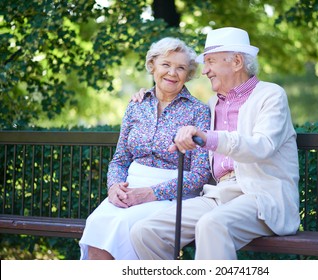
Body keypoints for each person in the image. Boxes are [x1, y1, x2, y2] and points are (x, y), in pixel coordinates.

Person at [130, 27, 300, 260]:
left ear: (237, 61)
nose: (205, 71)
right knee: (145, 231)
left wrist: (208, 138)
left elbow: (262, 145)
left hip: (262, 198)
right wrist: (148, 96)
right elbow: (175, 104)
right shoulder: (211, 104)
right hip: (218, 195)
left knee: (211, 225)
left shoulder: (271, 95)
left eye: (210, 62)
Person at [79, 37, 211, 260]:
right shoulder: (136, 105)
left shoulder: (198, 111)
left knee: (124, 225)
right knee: (97, 223)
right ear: (152, 66)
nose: (172, 73)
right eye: (166, 65)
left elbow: (200, 174)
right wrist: (113, 188)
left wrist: (152, 193)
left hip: (172, 196)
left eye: (181, 68)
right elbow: (120, 159)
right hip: (129, 189)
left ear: (188, 75)